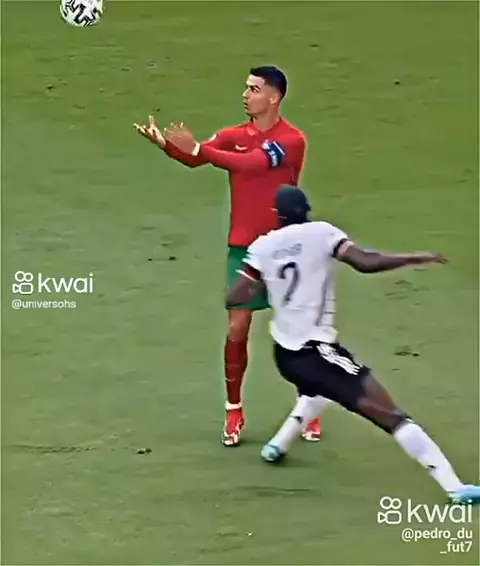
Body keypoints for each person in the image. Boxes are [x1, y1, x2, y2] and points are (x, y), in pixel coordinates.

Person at [225, 184, 480, 504]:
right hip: (316, 352)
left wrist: (268, 285)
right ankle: (454, 487)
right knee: (392, 415)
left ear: (277, 215)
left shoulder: (263, 246)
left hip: (285, 354)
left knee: (317, 388)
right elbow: (364, 262)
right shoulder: (322, 233)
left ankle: (278, 444)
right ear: (307, 209)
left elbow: (235, 296)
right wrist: (413, 257)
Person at [134, 66, 322, 445]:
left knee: (299, 332)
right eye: (246, 88)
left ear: (274, 97)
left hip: (287, 249)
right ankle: (233, 409)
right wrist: (167, 145)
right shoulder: (233, 136)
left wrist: (200, 149)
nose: (246, 94)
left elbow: (251, 164)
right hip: (245, 249)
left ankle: (309, 406)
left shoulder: (292, 141)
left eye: (254, 89)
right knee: (237, 328)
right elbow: (196, 159)